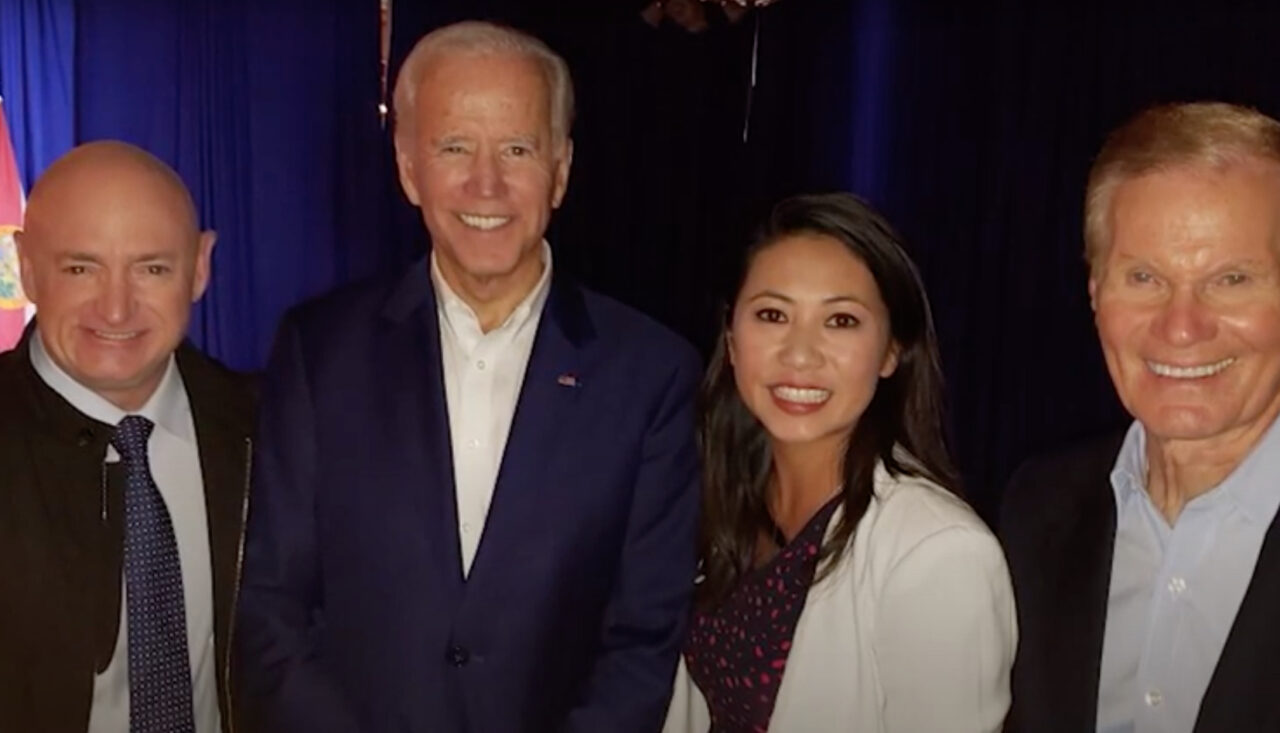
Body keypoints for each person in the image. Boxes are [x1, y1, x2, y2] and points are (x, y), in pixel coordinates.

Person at [235, 20, 702, 733]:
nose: (487, 183)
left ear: (562, 168)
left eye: (517, 148)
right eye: (455, 146)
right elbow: (273, 611)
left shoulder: (652, 373)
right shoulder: (317, 351)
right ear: (407, 166)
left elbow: (641, 641)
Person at [663, 192, 1017, 732]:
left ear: (892, 352)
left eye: (842, 321)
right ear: (732, 340)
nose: (800, 354)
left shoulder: (940, 553)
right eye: (773, 314)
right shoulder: (721, 498)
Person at [1002, 102, 1280, 732]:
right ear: (1096, 292)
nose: (1182, 327)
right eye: (1144, 277)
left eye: (1232, 279)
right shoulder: (1036, 508)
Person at [0, 141, 255, 732]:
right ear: (27, 266)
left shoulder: (273, 436)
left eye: (151, 268)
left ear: (200, 267)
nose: (116, 309)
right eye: (80, 268)